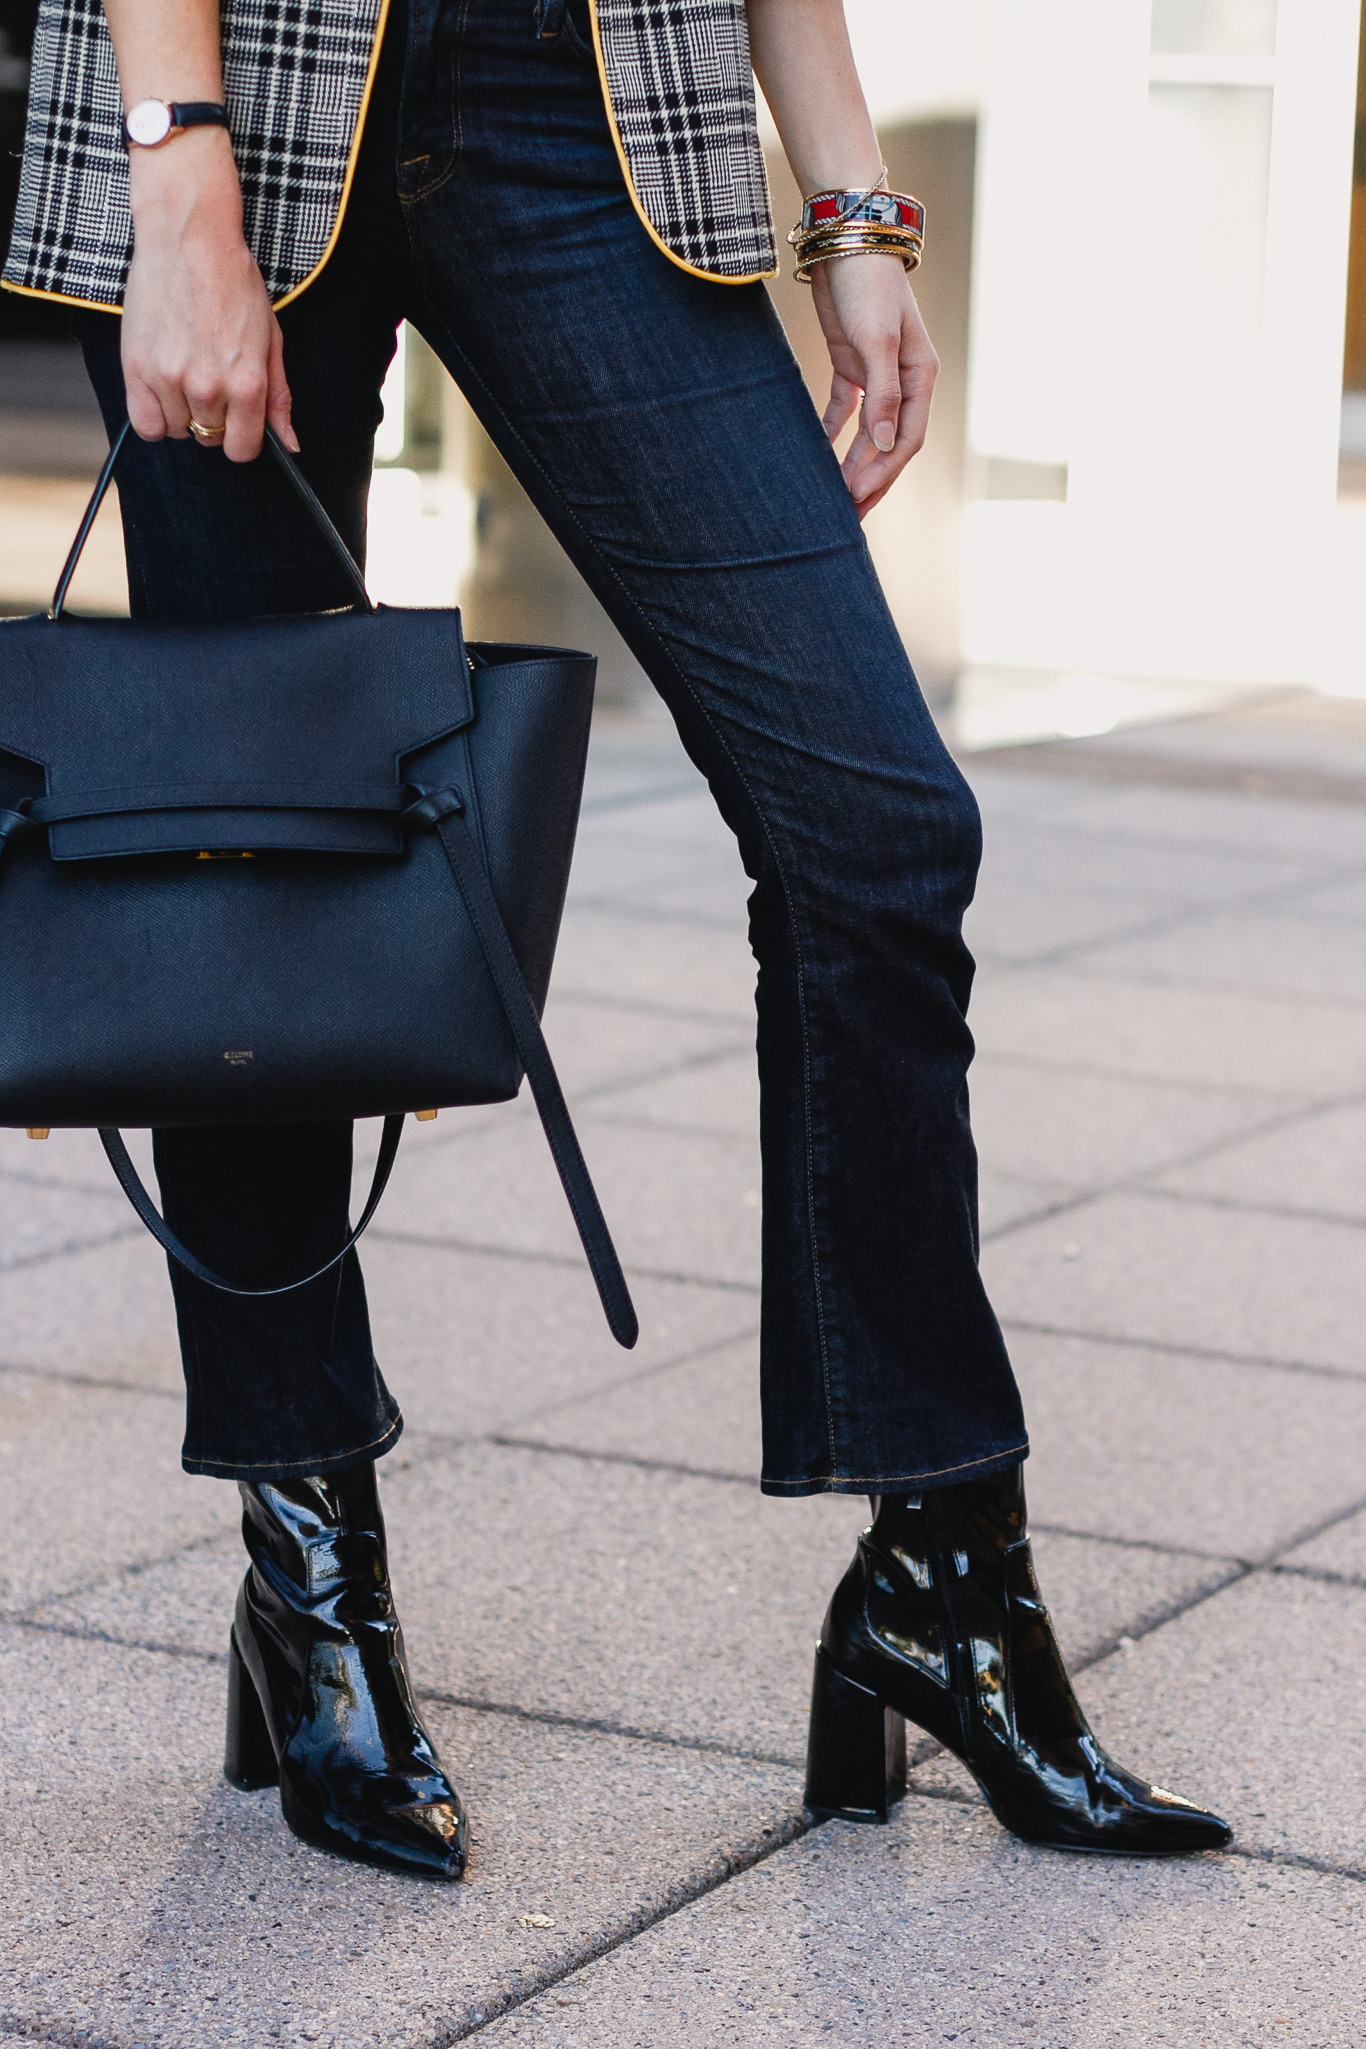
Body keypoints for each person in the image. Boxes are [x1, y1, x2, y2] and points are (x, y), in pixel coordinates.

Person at [4, 0, 1230, 1881]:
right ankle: (307, 1564)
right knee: (242, 848)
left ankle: (942, 1569)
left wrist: (852, 211)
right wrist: (179, 171)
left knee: (877, 830)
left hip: (590, 110)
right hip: (244, 79)